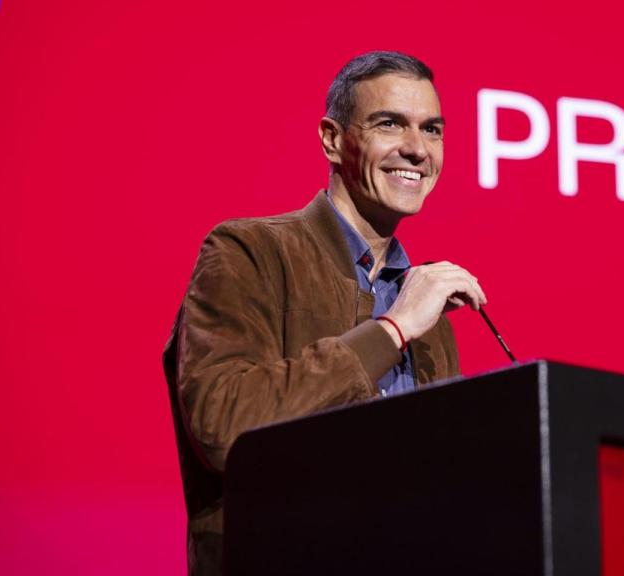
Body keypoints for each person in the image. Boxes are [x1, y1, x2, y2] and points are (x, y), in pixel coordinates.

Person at [162, 51, 487, 576]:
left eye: (432, 129)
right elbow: (225, 427)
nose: (417, 149)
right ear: (332, 140)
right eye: (390, 124)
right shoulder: (248, 252)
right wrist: (392, 329)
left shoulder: (428, 309)